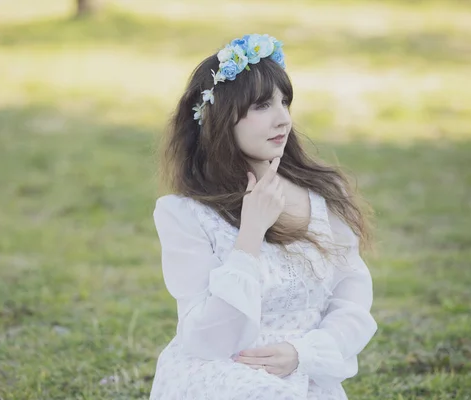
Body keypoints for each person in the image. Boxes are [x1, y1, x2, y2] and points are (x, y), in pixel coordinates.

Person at [149, 34, 378, 400]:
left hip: (301, 376)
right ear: (220, 118)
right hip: (217, 378)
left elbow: (351, 300)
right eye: (261, 106)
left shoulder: (323, 194)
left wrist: (303, 353)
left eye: (284, 102)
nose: (283, 119)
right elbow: (208, 341)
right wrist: (250, 234)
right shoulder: (186, 214)